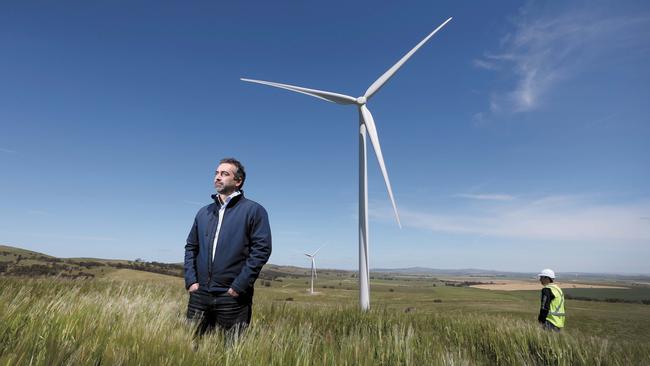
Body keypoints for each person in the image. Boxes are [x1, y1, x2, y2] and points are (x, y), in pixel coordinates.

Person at [184, 157, 272, 340]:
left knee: (230, 350)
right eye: (216, 173)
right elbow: (191, 247)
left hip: (232, 297)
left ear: (238, 181)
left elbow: (261, 250)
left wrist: (238, 286)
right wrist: (191, 281)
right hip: (199, 294)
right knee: (192, 346)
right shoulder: (203, 212)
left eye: (224, 174)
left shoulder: (254, 211)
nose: (218, 177)